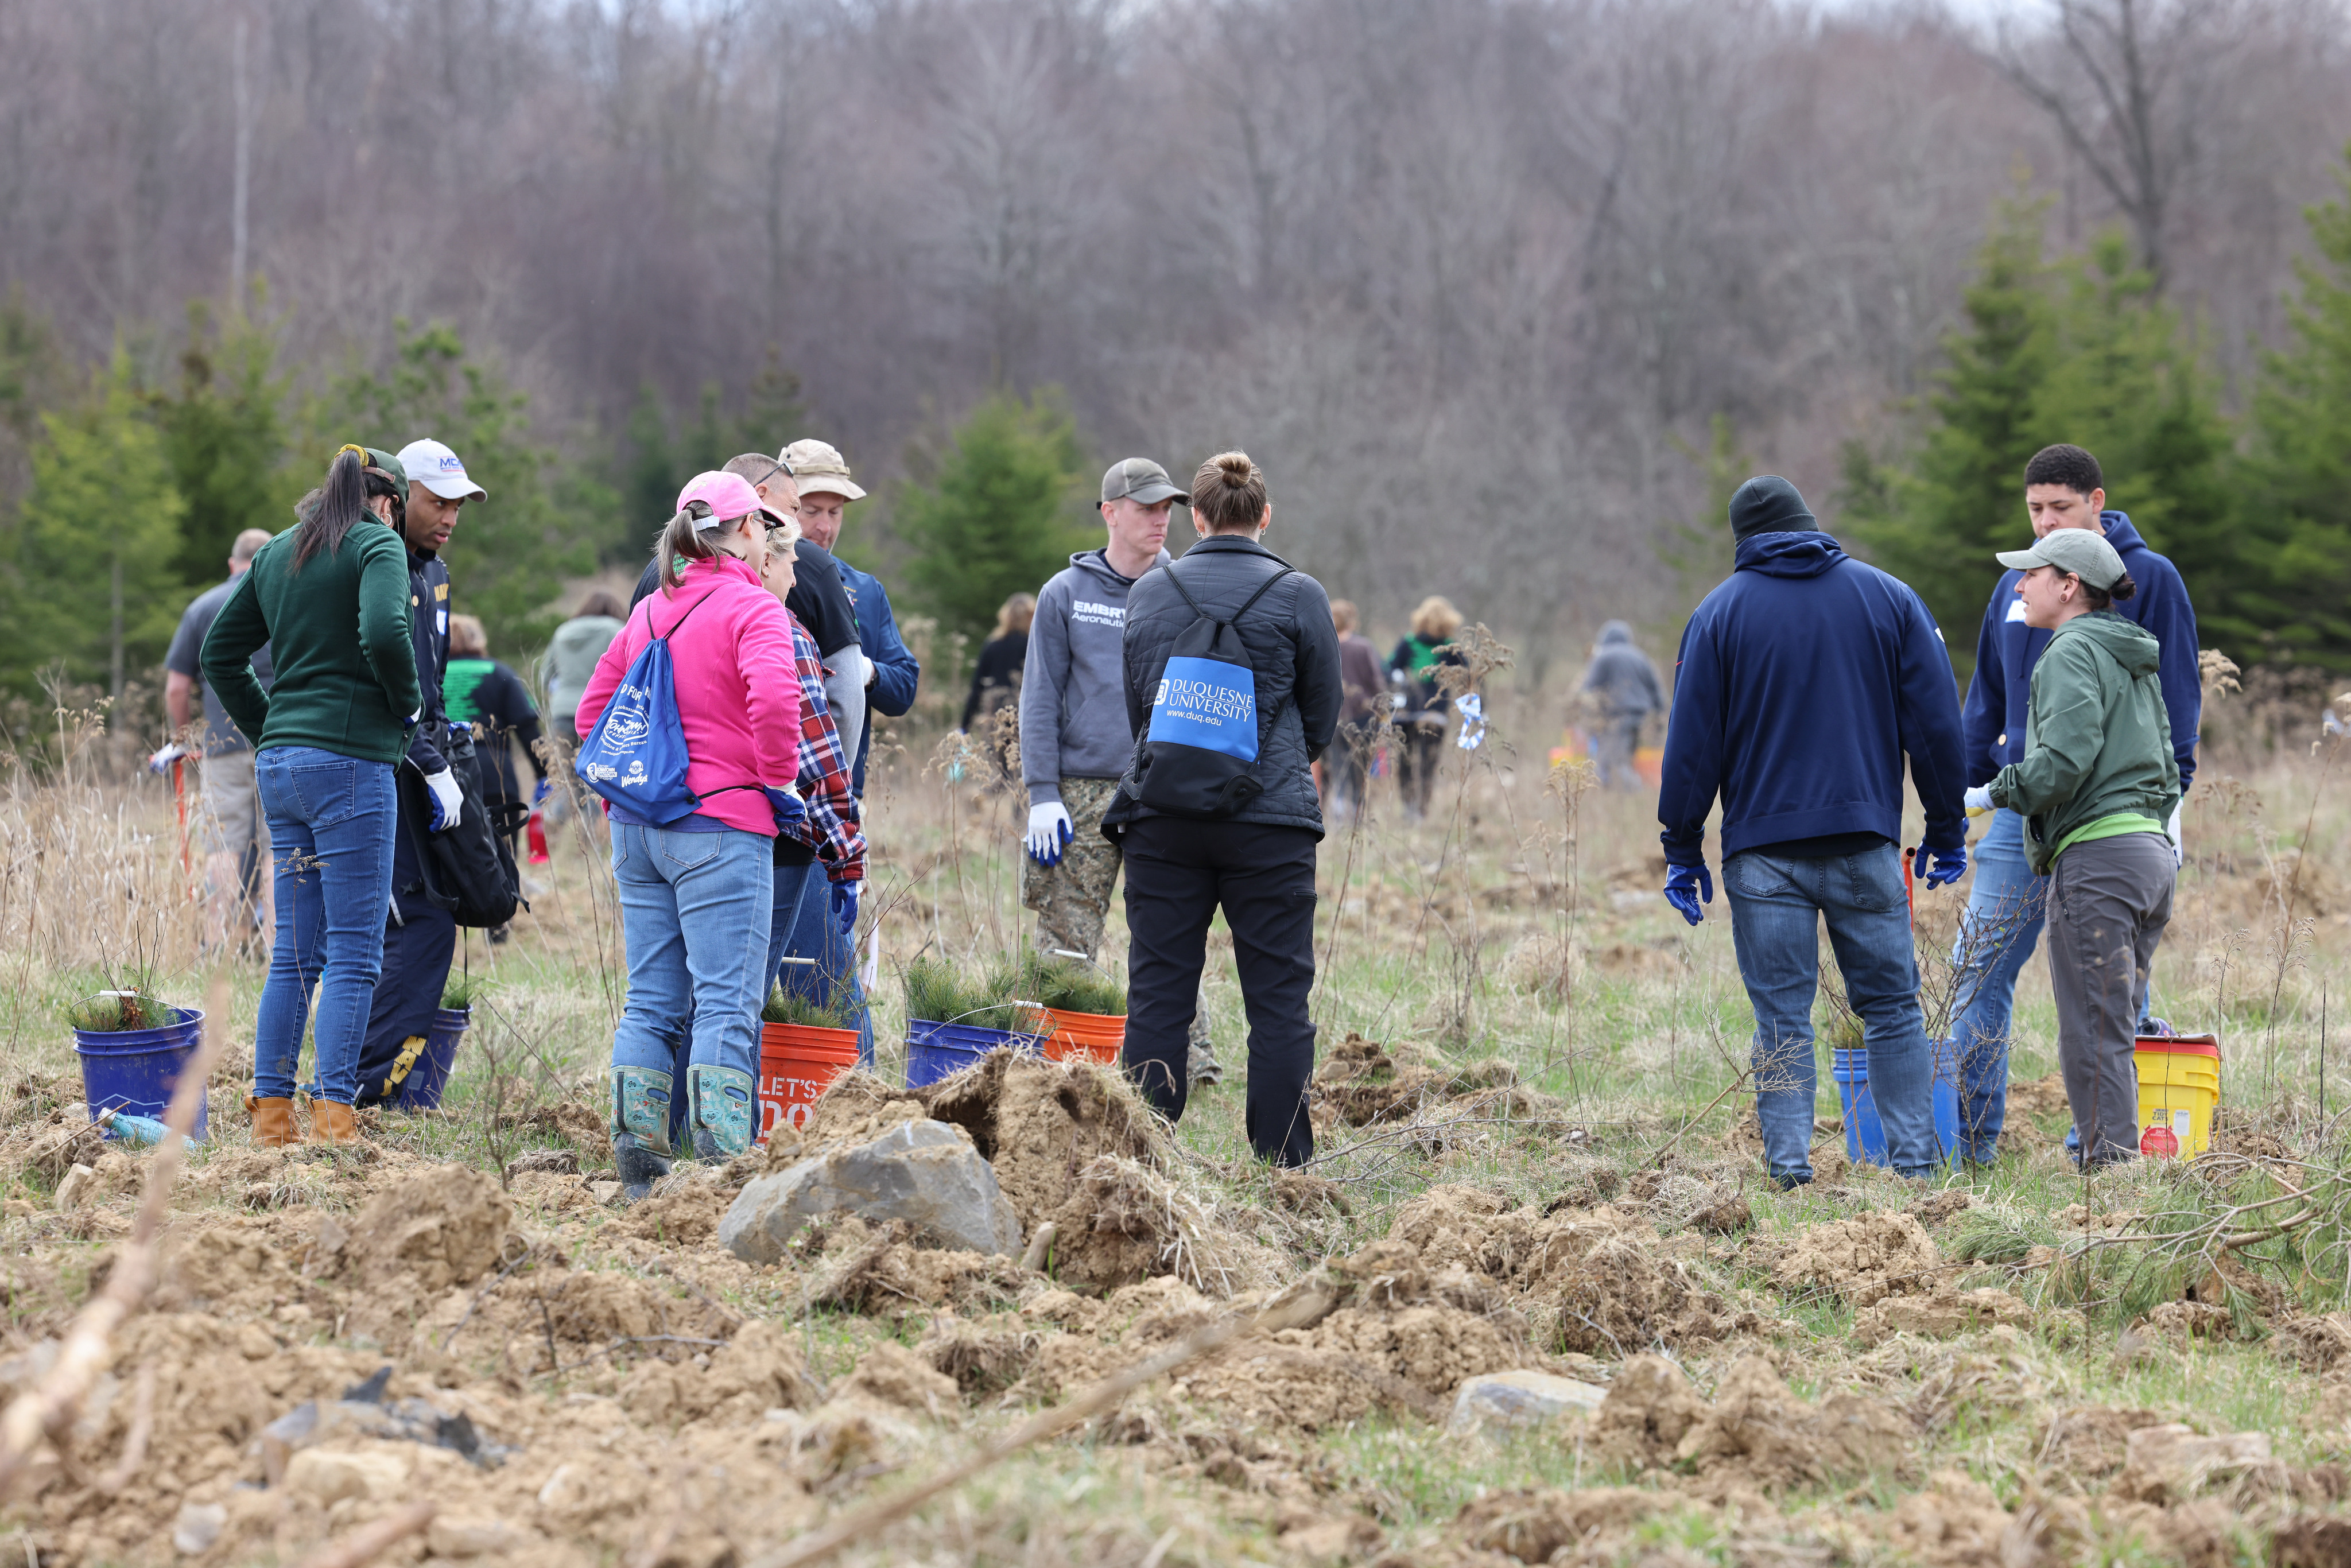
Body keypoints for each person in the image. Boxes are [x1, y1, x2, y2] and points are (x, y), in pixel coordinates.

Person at [1656, 475, 1968, 1187]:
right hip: (1864, 842)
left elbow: (1691, 744)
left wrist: (1681, 845)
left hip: (1763, 856)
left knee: (1782, 1021)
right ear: (1809, 523)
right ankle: (1915, 1169)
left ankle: (1790, 1172)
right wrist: (1946, 826)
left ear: (1742, 540)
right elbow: (1935, 724)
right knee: (1891, 1008)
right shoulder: (1887, 598)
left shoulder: (1717, 614)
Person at [1949, 444, 2201, 1163]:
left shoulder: (2144, 580)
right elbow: (1985, 701)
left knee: (2110, 994)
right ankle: (1970, 1141)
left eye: (2058, 507)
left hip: (2103, 821)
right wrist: (1963, 801)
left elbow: (2173, 702)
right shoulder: (2019, 588)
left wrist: (2158, 806)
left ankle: (2104, 1150)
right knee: (1978, 970)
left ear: (2096, 502)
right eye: (2034, 509)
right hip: (2020, 816)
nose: (2043, 521)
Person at [1107, 451, 1341, 1167]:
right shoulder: (1300, 594)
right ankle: (1283, 1168)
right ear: (1264, 517)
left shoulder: (1149, 593)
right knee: (1277, 1002)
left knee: (1157, 994)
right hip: (1268, 828)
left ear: (1196, 517)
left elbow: (1139, 706)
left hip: (1163, 821)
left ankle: (1143, 1160)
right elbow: (1321, 715)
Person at [580, 473, 802, 1194]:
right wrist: (777, 779)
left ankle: (640, 1167)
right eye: (764, 526)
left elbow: (592, 717)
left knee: (650, 1001)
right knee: (726, 1002)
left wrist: (635, 784)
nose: (769, 537)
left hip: (638, 830)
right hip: (723, 826)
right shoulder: (753, 608)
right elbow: (774, 699)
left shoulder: (647, 610)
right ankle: (722, 1178)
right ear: (742, 532)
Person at [201, 447, 423, 1147]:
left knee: (295, 950)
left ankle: (273, 1115)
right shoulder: (375, 544)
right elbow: (386, 631)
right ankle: (333, 1117)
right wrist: (407, 704)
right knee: (356, 952)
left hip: (282, 769)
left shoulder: (276, 553)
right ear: (387, 500)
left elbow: (218, 654)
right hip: (352, 766)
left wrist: (274, 727)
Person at [1022, 458, 1220, 1085]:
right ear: (1110, 512)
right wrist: (1041, 793)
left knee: (1170, 928)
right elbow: (1040, 697)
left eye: (1168, 508)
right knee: (1067, 930)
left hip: (1162, 788)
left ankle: (1190, 1065)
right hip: (1081, 793)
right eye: (1146, 507)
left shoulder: (1187, 589)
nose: (1161, 519)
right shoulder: (1065, 594)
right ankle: (1061, 1059)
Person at [352, 438, 481, 1109]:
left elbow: (429, 684)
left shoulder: (435, 574)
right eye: (437, 501)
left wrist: (447, 750)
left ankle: (381, 1084)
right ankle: (365, 1089)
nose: (450, 516)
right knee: (412, 922)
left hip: (425, 765)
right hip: (377, 769)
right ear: (400, 500)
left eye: (459, 504)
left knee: (439, 913)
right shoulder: (378, 563)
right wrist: (426, 760)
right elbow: (381, 681)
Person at [634, 455, 866, 769]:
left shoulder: (656, 578)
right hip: (739, 797)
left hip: (649, 791)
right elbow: (843, 698)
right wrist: (802, 791)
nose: (797, 525)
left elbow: (616, 694)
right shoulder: (770, 601)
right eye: (797, 507)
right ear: (755, 505)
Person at [756, 518, 867, 1049]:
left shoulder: (662, 610)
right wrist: (845, 856)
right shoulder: (779, 630)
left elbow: (598, 711)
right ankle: (723, 1133)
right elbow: (816, 759)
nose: (797, 579)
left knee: (663, 997)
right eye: (789, 563)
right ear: (763, 559)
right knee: (738, 998)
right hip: (765, 838)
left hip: (659, 830)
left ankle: (654, 1128)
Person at [158, 526, 277, 950]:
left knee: (224, 845)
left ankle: (217, 942)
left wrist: (184, 738)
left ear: (232, 564)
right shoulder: (284, 599)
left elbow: (176, 688)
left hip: (222, 745)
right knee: (278, 846)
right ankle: (278, 949)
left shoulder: (203, 607)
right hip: (280, 742)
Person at [781, 439, 920, 795]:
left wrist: (867, 673)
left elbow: (904, 689)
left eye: (835, 512)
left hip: (841, 798)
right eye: (811, 511)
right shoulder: (747, 579)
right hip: (764, 795)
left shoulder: (865, 590)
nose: (825, 527)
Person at [444, 611, 546, 865]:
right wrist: (545, 773)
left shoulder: (432, 675)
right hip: (495, 775)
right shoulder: (499, 671)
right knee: (501, 857)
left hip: (442, 774)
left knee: (450, 859)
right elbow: (527, 728)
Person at [539, 589, 627, 824]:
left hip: (563, 713)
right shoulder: (615, 629)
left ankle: (564, 839)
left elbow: (545, 675)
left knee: (568, 782)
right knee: (601, 782)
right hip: (601, 715)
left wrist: (556, 700)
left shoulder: (562, 632)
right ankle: (598, 839)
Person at [1387, 597, 1464, 817]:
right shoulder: (1451, 647)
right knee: (1428, 764)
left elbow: (1388, 668)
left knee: (1405, 762)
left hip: (1405, 713)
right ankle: (1422, 810)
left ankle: (1408, 807)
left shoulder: (1408, 642)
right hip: (1435, 714)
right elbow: (1471, 678)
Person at [1578, 621, 1666, 791]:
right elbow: (1657, 691)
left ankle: (1635, 792)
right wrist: (1661, 719)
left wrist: (1584, 717)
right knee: (1624, 759)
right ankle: (1624, 798)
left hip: (1617, 718)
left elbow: (1587, 692)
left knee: (1612, 763)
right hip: (1641, 718)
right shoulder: (1640, 657)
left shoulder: (1603, 657)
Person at [1325, 599, 1382, 822]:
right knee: (1361, 774)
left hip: (1332, 721)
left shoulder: (1325, 645)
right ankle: (1359, 821)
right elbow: (1378, 684)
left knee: (1338, 770)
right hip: (1363, 720)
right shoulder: (1363, 647)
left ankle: (1339, 820)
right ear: (1351, 621)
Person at [962, 593, 1033, 732]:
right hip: (1025, 715)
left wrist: (965, 725)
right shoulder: (1032, 646)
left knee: (995, 752)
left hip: (994, 714)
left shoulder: (993, 644)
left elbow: (978, 686)